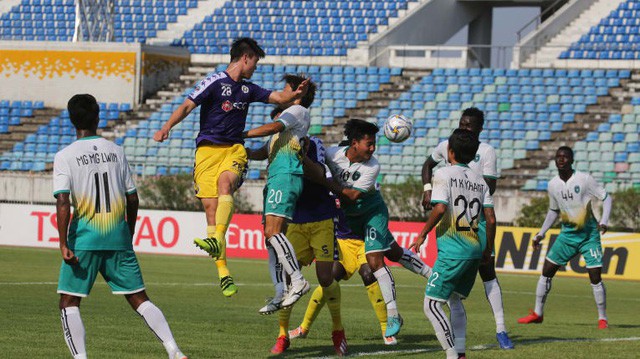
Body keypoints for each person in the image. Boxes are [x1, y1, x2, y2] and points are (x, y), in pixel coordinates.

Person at [152, 37, 309, 297]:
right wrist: (166, 127)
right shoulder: (213, 82)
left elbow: (278, 97)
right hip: (206, 152)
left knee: (226, 183)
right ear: (245, 58)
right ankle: (223, 272)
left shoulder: (249, 89)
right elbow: (187, 105)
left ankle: (216, 240)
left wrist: (295, 95)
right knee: (211, 210)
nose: (256, 68)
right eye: (255, 62)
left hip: (234, 149)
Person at [55, 94, 187, 359]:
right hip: (118, 237)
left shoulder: (65, 155)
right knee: (139, 298)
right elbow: (133, 197)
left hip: (84, 240)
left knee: (69, 302)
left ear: (71, 120)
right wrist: (131, 230)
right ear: (98, 117)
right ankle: (174, 350)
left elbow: (62, 201)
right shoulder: (116, 151)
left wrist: (62, 242)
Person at [305, 119, 432, 339]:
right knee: (394, 252)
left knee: (374, 261)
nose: (373, 149)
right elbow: (316, 164)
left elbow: (352, 196)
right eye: (369, 144)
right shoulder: (332, 154)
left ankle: (392, 314)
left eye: (374, 144)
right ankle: (434, 276)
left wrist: (324, 182)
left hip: (372, 213)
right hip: (350, 220)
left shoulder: (373, 166)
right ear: (354, 143)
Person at [247, 103, 345, 355]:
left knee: (326, 277)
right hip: (295, 219)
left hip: (321, 215)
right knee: (289, 277)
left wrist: (302, 159)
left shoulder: (310, 144)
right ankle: (282, 336)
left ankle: (338, 331)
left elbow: (319, 173)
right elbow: (259, 152)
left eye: (279, 119)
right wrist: (242, 151)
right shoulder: (276, 143)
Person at [421, 107, 513, 349]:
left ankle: (500, 329)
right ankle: (459, 349)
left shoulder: (486, 151)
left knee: (487, 272)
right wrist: (427, 190)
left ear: (479, 129)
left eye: (469, 126)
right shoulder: (450, 143)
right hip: (460, 215)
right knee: (454, 295)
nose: (464, 128)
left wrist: (463, 181)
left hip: (477, 219)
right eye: (462, 123)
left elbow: (489, 186)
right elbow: (426, 166)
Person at [410, 128, 496, 359]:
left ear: (449, 151)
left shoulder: (444, 174)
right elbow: (491, 219)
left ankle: (452, 355)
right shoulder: (480, 181)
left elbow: (439, 208)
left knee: (431, 305)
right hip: (475, 248)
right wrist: (488, 250)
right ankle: (460, 351)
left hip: (454, 250)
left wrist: (422, 234)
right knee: (454, 299)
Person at [243, 75, 316, 316]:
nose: (280, 93)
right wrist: (239, 149)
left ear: (297, 93)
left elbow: (275, 126)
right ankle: (280, 291)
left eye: (285, 89)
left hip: (286, 175)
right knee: (270, 238)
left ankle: (297, 280)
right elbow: (261, 153)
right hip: (276, 177)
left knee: (273, 232)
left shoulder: (298, 111)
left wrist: (241, 133)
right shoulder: (284, 127)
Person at [518, 146, 612, 329]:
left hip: (588, 235)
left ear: (571, 160)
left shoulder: (584, 179)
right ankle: (538, 313)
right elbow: (553, 211)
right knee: (546, 272)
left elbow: (607, 198)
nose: (561, 159)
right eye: (558, 157)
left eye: (565, 157)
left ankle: (603, 318)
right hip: (567, 236)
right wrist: (541, 234)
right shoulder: (553, 184)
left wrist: (604, 221)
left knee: (595, 276)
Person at [288, 199, 398, 346]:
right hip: (343, 243)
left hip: (365, 242)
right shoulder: (331, 187)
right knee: (328, 279)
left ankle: (386, 329)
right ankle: (304, 327)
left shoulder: (362, 186)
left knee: (368, 274)